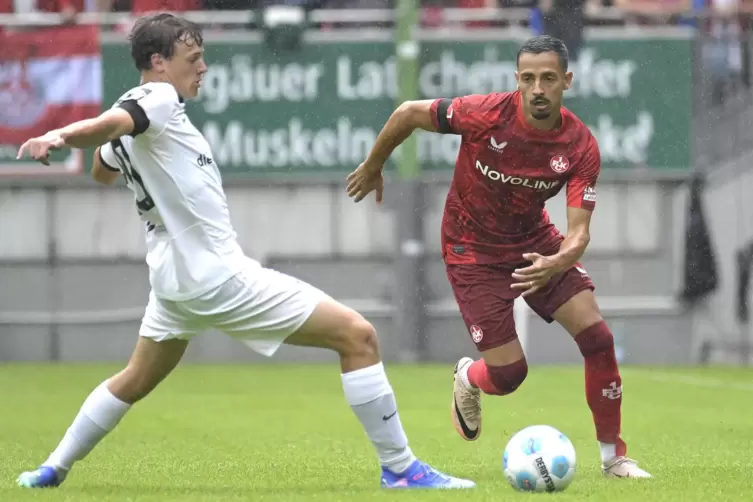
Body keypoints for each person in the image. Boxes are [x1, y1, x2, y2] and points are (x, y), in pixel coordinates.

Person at [15, 13, 475, 491]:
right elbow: (113, 123)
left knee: (134, 379)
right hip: (218, 276)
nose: (203, 67)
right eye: (192, 59)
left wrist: (120, 153)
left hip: (172, 283)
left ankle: (52, 468)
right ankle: (401, 469)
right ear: (158, 63)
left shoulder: (140, 121)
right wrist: (62, 134)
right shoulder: (158, 97)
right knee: (357, 337)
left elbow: (102, 166)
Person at [347, 34, 652, 479]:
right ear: (516, 80)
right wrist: (375, 165)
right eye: (528, 78)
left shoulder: (580, 145)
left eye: (549, 78)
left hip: (535, 244)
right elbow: (408, 112)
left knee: (598, 337)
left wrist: (558, 262)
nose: (538, 88)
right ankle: (470, 378)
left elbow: (579, 233)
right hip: (471, 251)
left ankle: (613, 458)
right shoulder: (486, 114)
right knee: (509, 376)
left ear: (567, 81)